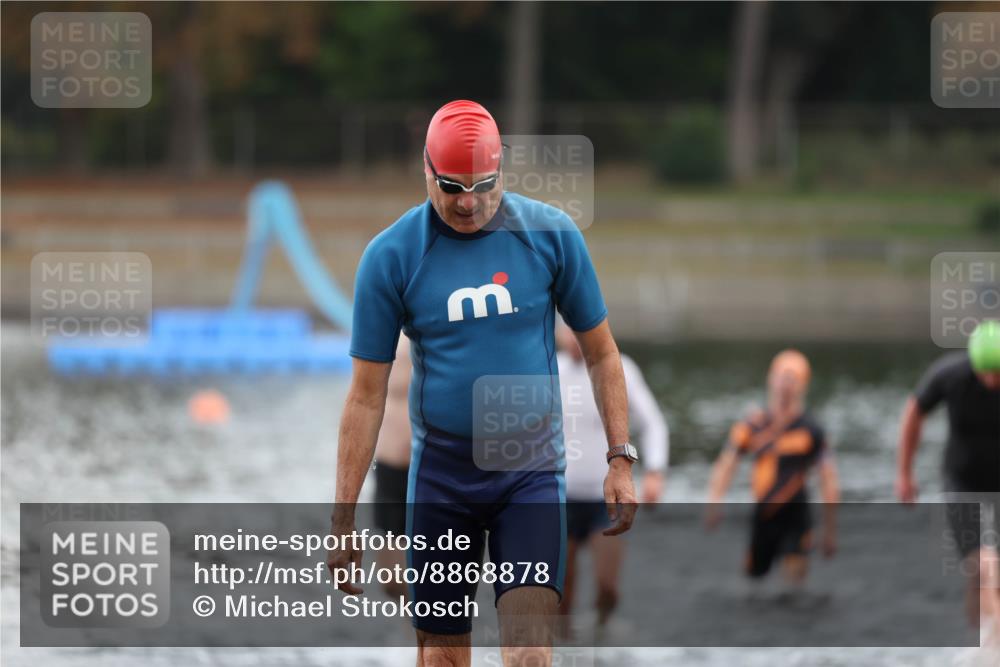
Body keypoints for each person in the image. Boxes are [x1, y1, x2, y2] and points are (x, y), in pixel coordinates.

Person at [327, 100, 637, 667]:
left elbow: (601, 353)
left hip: (530, 472)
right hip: (442, 480)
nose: (467, 202)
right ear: (426, 170)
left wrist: (620, 457)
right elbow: (366, 397)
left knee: (528, 654)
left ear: (502, 170)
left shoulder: (550, 234)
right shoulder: (391, 256)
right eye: (451, 187)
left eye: (482, 186)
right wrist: (343, 518)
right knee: (442, 660)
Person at [554, 323, 668, 635]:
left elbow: (653, 423)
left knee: (608, 586)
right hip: (559, 496)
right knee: (563, 590)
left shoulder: (621, 368)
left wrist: (655, 471)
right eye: (566, 331)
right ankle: (566, 644)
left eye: (577, 329)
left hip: (604, 498)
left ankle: (601, 629)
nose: (573, 339)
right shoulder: (549, 370)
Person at [895, 320, 1000, 636]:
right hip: (962, 481)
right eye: (985, 373)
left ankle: (987, 641)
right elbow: (914, 413)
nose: (992, 381)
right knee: (984, 565)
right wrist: (904, 473)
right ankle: (988, 645)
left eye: (998, 373)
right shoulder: (951, 375)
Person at [705, 350, 839, 589]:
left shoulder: (812, 429)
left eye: (793, 378)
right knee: (754, 581)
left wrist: (830, 528)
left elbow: (828, 477)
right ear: (771, 380)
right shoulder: (752, 425)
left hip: (796, 513)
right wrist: (714, 502)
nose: (786, 385)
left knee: (794, 580)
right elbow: (727, 464)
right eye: (782, 377)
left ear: (803, 384)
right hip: (764, 514)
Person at [371, 335, 412, 600]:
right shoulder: (382, 334)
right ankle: (416, 620)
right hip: (389, 466)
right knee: (392, 579)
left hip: (432, 468)